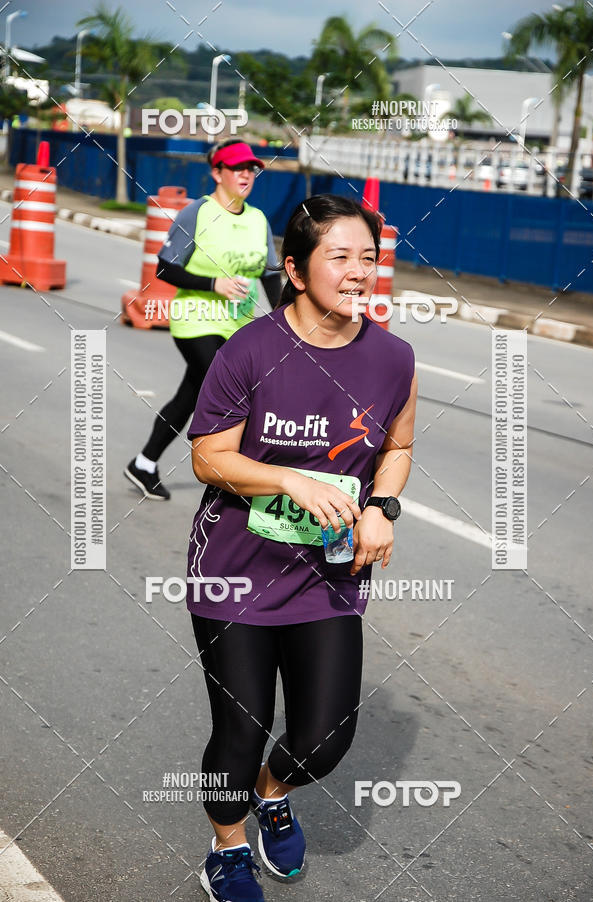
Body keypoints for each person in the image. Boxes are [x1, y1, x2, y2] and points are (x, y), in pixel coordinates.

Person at [186, 194, 417, 902]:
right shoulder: (248, 349)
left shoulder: (394, 357)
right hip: (235, 571)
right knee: (241, 726)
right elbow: (206, 458)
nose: (358, 273)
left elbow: (398, 446)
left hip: (329, 573)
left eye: (369, 259)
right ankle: (226, 848)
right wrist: (286, 477)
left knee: (325, 739)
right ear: (295, 267)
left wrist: (383, 507)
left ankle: (273, 795)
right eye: (339, 257)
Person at [124, 138, 281, 500]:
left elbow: (270, 274)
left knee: (192, 394)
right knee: (229, 388)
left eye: (251, 168)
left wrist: (280, 318)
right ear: (216, 172)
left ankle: (145, 463)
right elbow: (165, 268)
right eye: (237, 168)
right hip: (195, 319)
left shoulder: (257, 219)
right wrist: (214, 283)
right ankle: (233, 474)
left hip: (239, 324)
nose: (245, 174)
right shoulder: (196, 213)